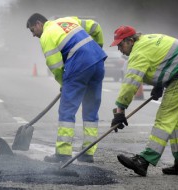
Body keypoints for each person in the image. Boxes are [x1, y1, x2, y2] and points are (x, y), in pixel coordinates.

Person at [110, 25, 178, 176]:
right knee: (177, 120)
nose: (119, 48)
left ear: (129, 41)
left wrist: (120, 110)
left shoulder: (138, 52)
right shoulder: (146, 41)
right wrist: (159, 85)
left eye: (120, 44)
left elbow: (131, 82)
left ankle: (144, 160)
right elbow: (162, 61)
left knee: (164, 118)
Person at [26, 13, 107, 163]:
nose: (33, 35)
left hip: (79, 64)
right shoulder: (67, 21)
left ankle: (63, 153)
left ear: (38, 23)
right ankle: (88, 153)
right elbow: (96, 27)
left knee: (67, 110)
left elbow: (55, 65)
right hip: (98, 61)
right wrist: (97, 48)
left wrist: (65, 83)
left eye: (32, 30)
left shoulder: (47, 35)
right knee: (90, 110)